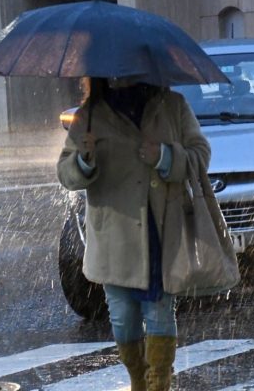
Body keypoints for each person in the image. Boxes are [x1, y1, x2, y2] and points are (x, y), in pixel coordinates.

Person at [57, 77, 210, 391]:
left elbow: (201, 155)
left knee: (159, 312)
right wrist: (84, 160)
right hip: (114, 234)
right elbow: (66, 174)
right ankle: (139, 380)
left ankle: (159, 384)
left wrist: (165, 156)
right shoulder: (90, 114)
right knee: (123, 320)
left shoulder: (173, 106)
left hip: (160, 228)